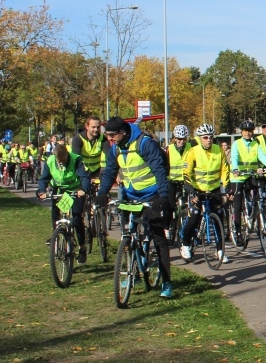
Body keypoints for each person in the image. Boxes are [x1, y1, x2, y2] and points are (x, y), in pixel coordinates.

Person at [96, 116, 173, 298]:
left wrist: (162, 196)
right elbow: (109, 173)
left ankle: (167, 282)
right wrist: (102, 193)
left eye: (112, 135)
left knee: (158, 236)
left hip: (152, 195)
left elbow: (159, 170)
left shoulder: (145, 144)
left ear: (122, 133)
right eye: (107, 135)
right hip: (131, 195)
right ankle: (134, 273)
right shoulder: (116, 149)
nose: (109, 139)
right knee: (128, 234)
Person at [181, 124, 230, 263]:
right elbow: (186, 173)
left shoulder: (218, 150)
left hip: (213, 189)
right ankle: (185, 245)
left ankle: (220, 251)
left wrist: (226, 189)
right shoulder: (193, 152)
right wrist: (191, 191)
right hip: (197, 189)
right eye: (205, 137)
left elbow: (225, 169)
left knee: (218, 218)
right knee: (194, 216)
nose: (209, 140)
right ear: (200, 138)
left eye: (211, 137)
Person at [37, 145, 91, 263]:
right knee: (55, 215)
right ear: (55, 157)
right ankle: (56, 235)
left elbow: (84, 176)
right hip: (60, 190)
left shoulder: (76, 159)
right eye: (59, 161)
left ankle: (82, 247)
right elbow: (44, 178)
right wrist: (41, 191)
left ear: (67, 155)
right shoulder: (50, 161)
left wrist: (84, 189)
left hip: (75, 191)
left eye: (64, 160)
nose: (61, 163)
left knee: (76, 219)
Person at [230, 120, 266, 246]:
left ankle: (254, 216)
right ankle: (238, 233)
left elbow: (261, 156)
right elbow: (234, 157)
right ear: (242, 132)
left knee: (259, 195)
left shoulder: (255, 144)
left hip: (251, 175)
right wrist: (235, 169)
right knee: (238, 205)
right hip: (238, 177)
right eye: (245, 131)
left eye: (250, 131)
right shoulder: (237, 144)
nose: (248, 133)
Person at [164, 124, 191, 237]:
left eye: (183, 139)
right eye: (179, 139)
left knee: (189, 205)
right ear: (175, 138)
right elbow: (164, 165)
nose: (181, 141)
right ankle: (167, 228)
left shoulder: (190, 147)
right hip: (172, 181)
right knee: (169, 206)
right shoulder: (169, 149)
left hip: (186, 181)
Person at [72, 117, 110, 181]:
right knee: (85, 187)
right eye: (93, 127)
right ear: (87, 126)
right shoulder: (78, 139)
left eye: (98, 127)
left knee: (105, 183)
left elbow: (108, 155)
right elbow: (76, 158)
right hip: (83, 168)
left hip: (98, 169)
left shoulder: (103, 139)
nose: (96, 129)